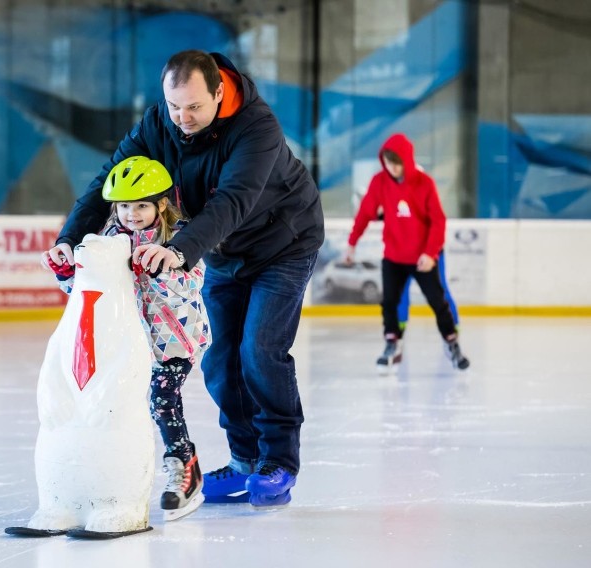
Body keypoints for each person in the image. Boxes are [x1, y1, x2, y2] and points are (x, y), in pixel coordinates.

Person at [42, 49, 324, 507]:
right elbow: (106, 185)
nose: (182, 118)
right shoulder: (158, 125)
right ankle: (244, 460)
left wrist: (178, 250)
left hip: (284, 244)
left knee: (259, 350)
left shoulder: (257, 127)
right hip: (221, 249)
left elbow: (232, 201)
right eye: (175, 106)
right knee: (219, 361)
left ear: (218, 92)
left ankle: (279, 462)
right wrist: (69, 238)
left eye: (193, 107)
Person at [46, 156, 210, 520]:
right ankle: (110, 476)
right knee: (116, 407)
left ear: (161, 204)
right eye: (123, 206)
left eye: (141, 205)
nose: (131, 214)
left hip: (173, 340)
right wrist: (65, 273)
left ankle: (184, 466)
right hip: (127, 341)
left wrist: (160, 267)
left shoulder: (181, 237)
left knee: (162, 399)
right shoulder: (108, 239)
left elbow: (190, 286)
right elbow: (88, 290)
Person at [345, 132, 470, 373]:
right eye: (388, 162)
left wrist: (430, 254)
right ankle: (392, 343)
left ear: (406, 160)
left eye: (396, 162)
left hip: (422, 257)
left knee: (438, 301)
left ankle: (452, 343)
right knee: (389, 301)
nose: (392, 168)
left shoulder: (424, 184)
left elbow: (438, 221)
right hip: (394, 255)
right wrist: (352, 243)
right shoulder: (380, 182)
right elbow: (365, 213)